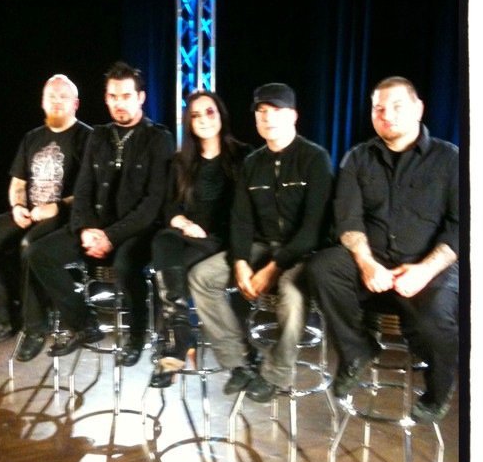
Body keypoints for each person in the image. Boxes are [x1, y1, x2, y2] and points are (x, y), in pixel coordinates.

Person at [306, 76, 458, 423]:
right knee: (322, 268)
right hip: (372, 262)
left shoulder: (450, 158)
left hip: (428, 264)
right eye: (378, 108)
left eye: (396, 106)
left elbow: (462, 225)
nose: (386, 114)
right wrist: (366, 262)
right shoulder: (358, 158)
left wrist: (424, 271)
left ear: (418, 109)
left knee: (436, 318)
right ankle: (358, 349)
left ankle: (437, 391)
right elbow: (348, 220)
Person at [188, 82, 333, 402]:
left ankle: (276, 373)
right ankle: (239, 360)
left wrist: (272, 269)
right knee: (201, 277)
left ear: (293, 115)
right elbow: (241, 220)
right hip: (260, 246)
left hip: (302, 251)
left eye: (276, 111)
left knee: (292, 296)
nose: (268, 118)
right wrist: (240, 262)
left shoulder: (315, 158)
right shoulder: (252, 163)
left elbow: (313, 228)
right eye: (261, 112)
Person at [24, 61, 174, 365]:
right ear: (106, 98)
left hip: (136, 231)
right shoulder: (99, 135)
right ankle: (84, 324)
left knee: (125, 264)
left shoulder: (158, 138)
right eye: (113, 97)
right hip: (94, 228)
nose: (119, 103)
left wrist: (110, 236)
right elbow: (83, 191)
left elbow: (152, 204)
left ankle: (136, 337)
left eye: (126, 96)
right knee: (38, 253)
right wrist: (85, 230)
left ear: (141, 97)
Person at [0, 74, 92, 350]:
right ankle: (8, 317)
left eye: (63, 97)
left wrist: (57, 206)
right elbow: (18, 183)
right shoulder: (32, 138)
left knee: (29, 246)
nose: (56, 102)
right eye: (51, 96)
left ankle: (36, 327)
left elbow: (90, 190)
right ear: (42, 102)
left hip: (62, 214)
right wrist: (18, 207)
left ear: (75, 103)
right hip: (30, 211)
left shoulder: (88, 137)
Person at [148, 90, 252, 388]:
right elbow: (169, 208)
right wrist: (183, 222)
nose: (204, 119)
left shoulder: (243, 156)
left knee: (168, 270)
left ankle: (175, 345)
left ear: (221, 116)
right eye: (195, 115)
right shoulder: (180, 162)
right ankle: (181, 334)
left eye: (209, 112)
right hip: (191, 235)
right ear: (189, 123)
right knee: (163, 242)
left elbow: (245, 212)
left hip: (225, 239)